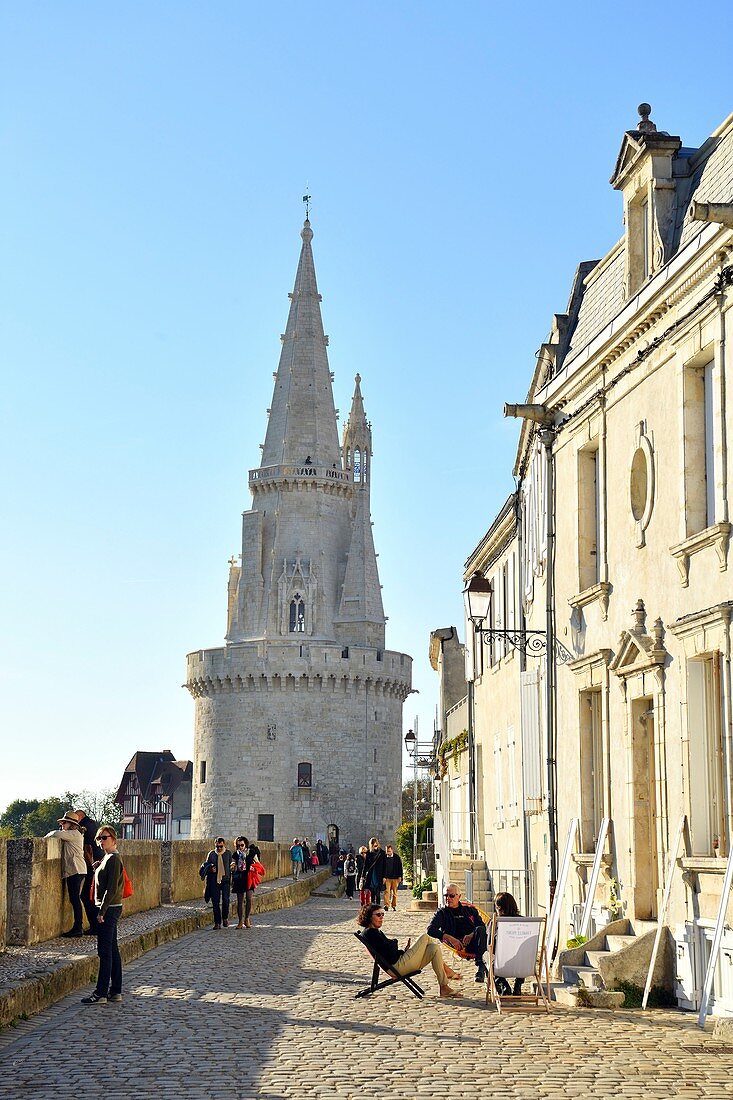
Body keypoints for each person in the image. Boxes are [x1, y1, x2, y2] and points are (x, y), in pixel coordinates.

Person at [357, 903, 462, 998]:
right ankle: (447, 971)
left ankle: (444, 987)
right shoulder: (371, 933)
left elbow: (388, 951)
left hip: (398, 964)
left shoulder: (374, 932)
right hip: (397, 967)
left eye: (382, 914)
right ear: (369, 917)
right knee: (425, 937)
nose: (381, 918)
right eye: (378, 915)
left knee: (434, 948)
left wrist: (403, 950)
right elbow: (390, 950)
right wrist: (395, 941)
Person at [81, 825, 124, 1005]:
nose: (100, 841)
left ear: (113, 838)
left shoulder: (114, 858)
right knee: (112, 950)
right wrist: (98, 867)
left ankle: (101, 993)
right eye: (99, 838)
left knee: (104, 951)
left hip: (110, 908)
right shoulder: (107, 858)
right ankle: (115, 991)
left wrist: (102, 911)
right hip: (111, 908)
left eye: (104, 837)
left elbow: (112, 888)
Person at [426, 883, 489, 983]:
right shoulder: (442, 913)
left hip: (475, 942)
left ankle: (482, 969)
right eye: (446, 896)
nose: (448, 898)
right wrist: (449, 938)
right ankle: (483, 970)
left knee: (482, 931)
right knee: (488, 947)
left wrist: (471, 935)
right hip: (458, 945)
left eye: (451, 896)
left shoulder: (469, 910)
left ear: (459, 896)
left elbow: (482, 926)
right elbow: (430, 929)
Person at [45, 811, 88, 938]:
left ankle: (78, 927)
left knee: (75, 899)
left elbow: (55, 834)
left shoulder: (74, 834)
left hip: (76, 870)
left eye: (64, 822)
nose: (62, 825)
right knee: (74, 899)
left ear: (71, 824)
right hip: (76, 870)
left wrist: (45, 837)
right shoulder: (74, 834)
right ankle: (77, 927)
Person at [71, 807, 102, 934]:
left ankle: (95, 926)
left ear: (79, 817)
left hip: (91, 865)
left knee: (87, 896)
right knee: (89, 896)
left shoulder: (84, 827)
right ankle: (96, 926)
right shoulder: (92, 824)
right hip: (94, 864)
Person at [491, 891, 523, 996]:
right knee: (522, 954)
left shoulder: (496, 923)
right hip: (522, 965)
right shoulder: (526, 922)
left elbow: (489, 945)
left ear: (499, 908)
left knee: (486, 957)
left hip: (502, 964)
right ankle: (518, 985)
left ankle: (503, 984)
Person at [203, 837, 232, 928]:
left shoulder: (228, 853)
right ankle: (217, 922)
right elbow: (206, 865)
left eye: (221, 846)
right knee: (215, 902)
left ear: (224, 845)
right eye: (217, 846)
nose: (219, 848)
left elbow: (231, 865)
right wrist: (211, 868)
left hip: (225, 880)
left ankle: (225, 918)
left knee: (226, 900)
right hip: (214, 881)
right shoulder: (211, 854)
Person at [362, 837, 386, 907]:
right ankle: (372, 906)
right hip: (371, 874)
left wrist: (384, 876)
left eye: (376, 844)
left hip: (379, 874)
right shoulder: (369, 853)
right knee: (372, 891)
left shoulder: (382, 853)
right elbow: (365, 865)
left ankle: (378, 906)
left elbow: (385, 865)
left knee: (378, 891)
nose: (375, 845)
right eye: (373, 844)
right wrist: (363, 876)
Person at [382, 844, 403, 911]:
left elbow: (400, 867)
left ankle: (394, 905)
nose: (388, 852)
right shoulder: (384, 858)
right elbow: (382, 868)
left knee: (394, 893)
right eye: (387, 851)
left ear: (392, 850)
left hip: (395, 877)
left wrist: (400, 876)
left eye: (389, 851)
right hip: (387, 878)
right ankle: (386, 905)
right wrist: (383, 877)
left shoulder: (396, 857)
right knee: (387, 892)